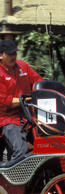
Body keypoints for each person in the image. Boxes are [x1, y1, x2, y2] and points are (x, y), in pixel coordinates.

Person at [0, 39, 43, 168]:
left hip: (28, 117)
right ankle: (11, 181)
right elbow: (6, 102)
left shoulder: (23, 66)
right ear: (1, 55)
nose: (14, 56)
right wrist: (28, 99)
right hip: (7, 119)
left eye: (15, 53)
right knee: (21, 151)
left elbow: (38, 82)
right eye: (10, 54)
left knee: (47, 144)